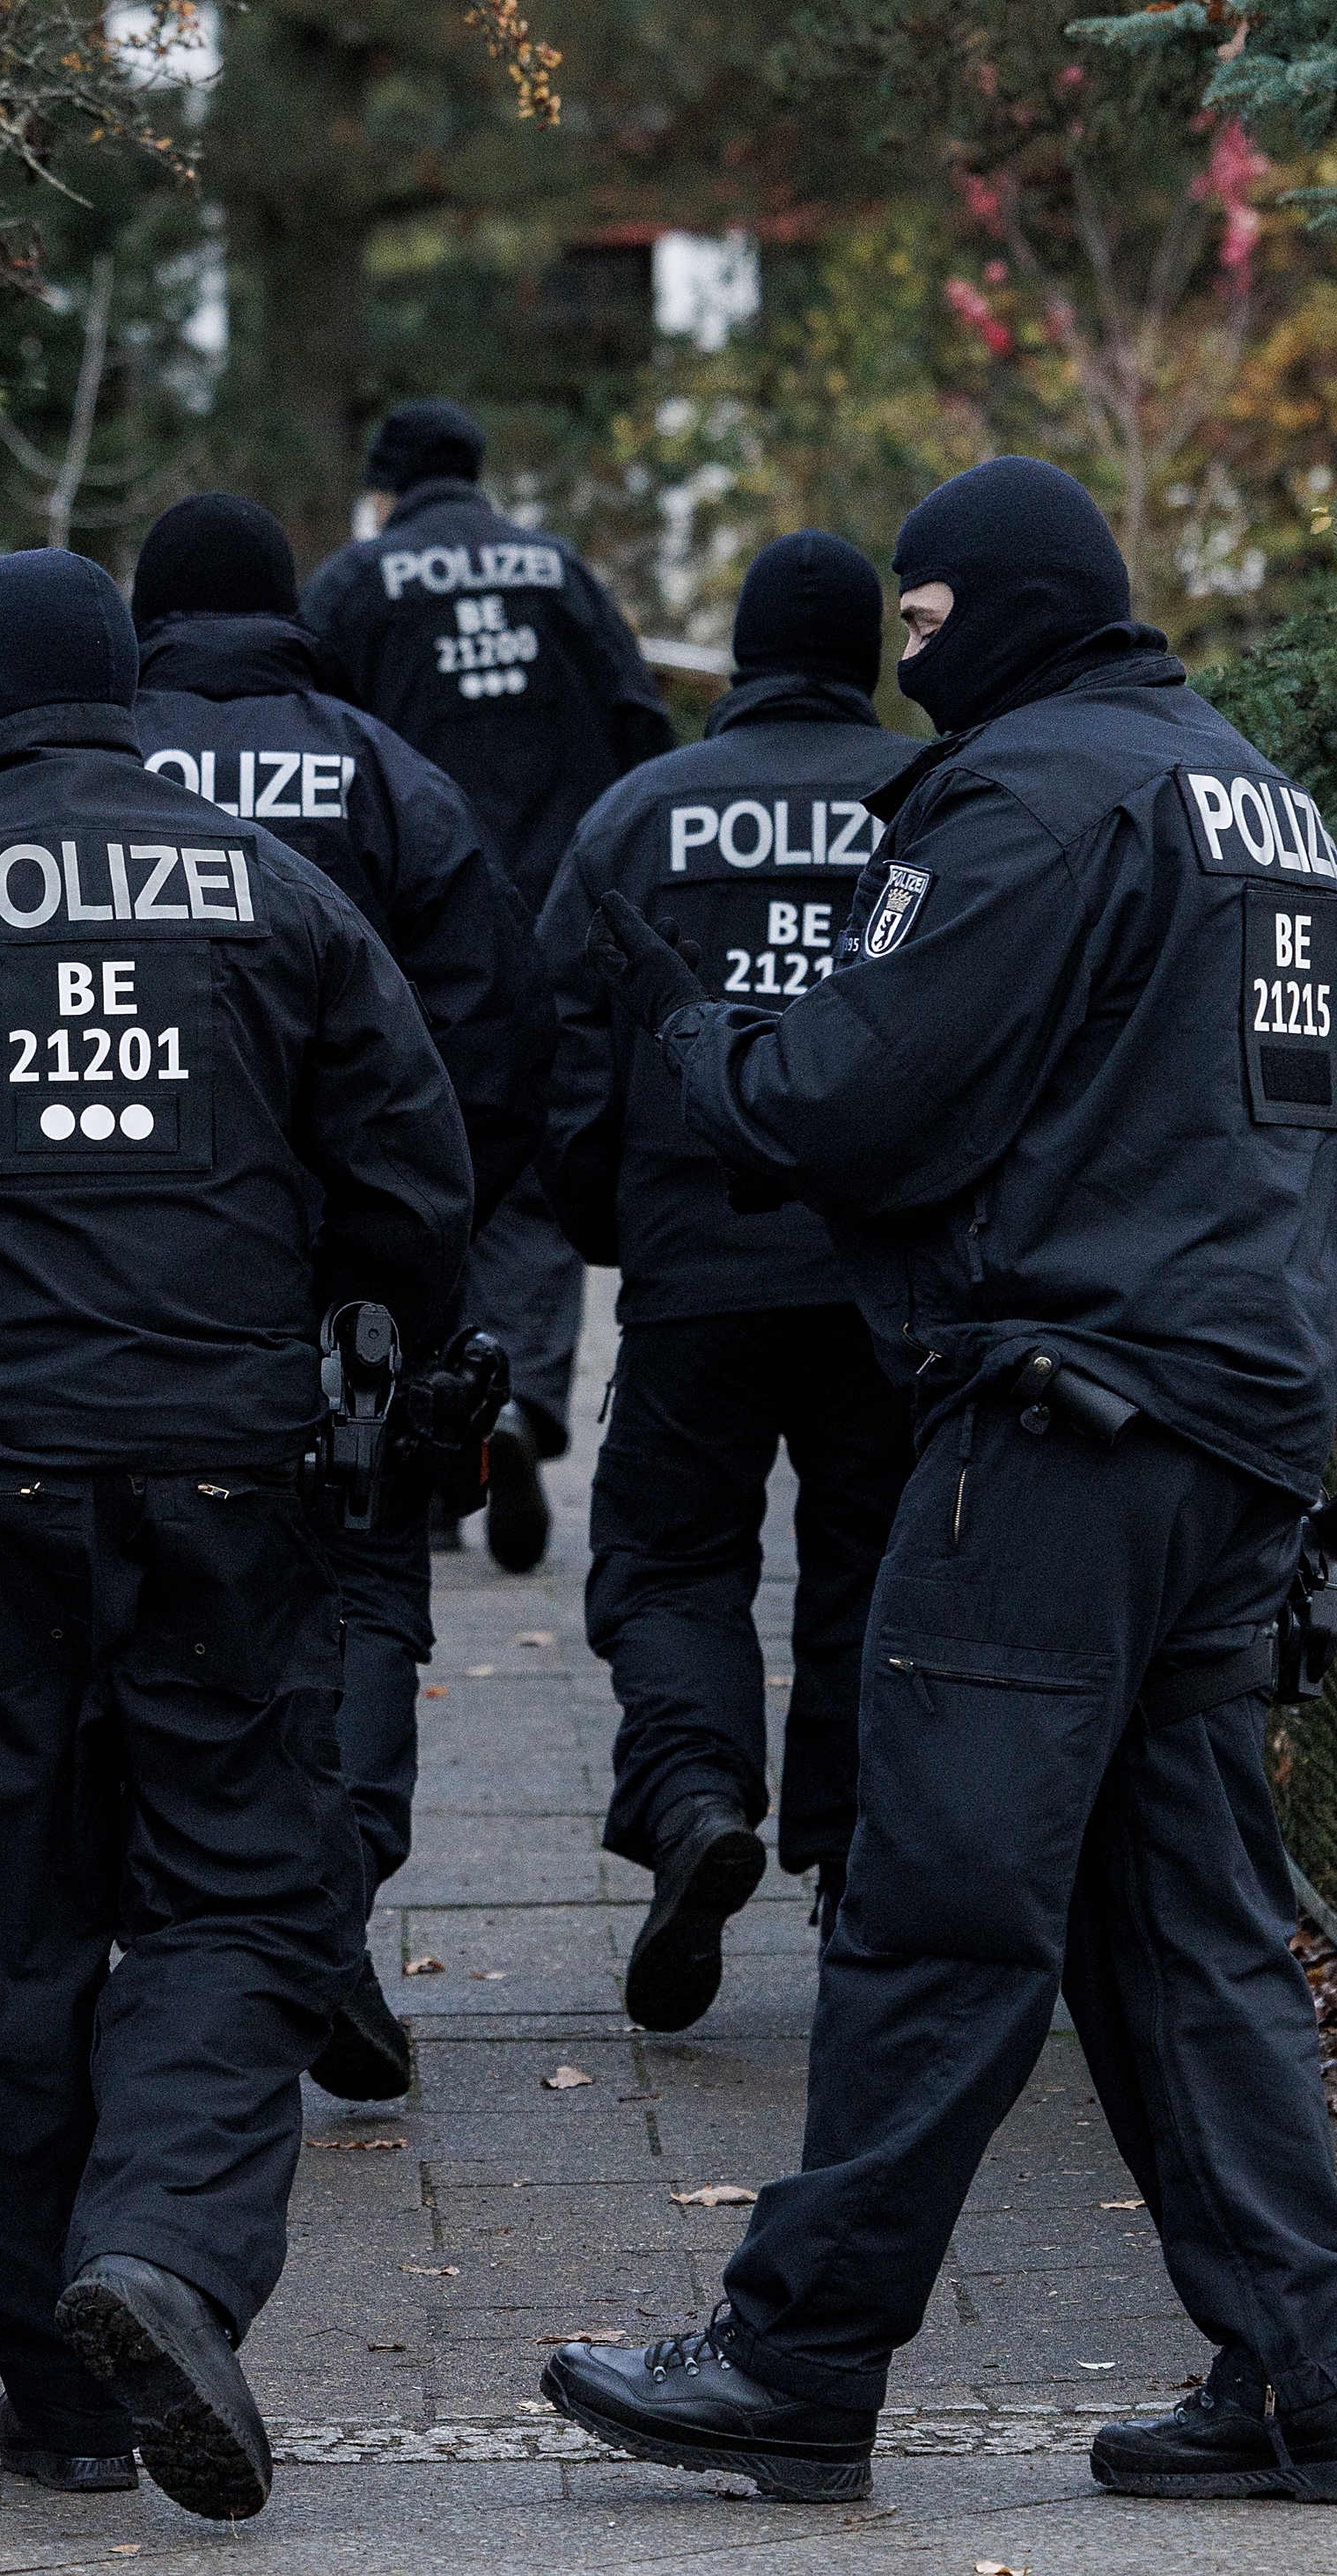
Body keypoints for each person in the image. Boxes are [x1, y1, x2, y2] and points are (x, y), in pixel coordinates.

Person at [541, 459, 1337, 2506]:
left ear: (1011, 603)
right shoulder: (1261, 802)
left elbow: (854, 1093)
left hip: (1057, 1433)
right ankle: (1318, 2374)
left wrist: (702, 1042)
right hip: (1235, 1429)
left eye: (927, 626)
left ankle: (796, 2358)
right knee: (1183, 1927)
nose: (913, 662)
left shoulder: (1030, 797)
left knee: (940, 1906)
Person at [0, 549, 480, 2521]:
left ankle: (58, 2385)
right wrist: (341, 1356)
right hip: (238, 1482)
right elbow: (416, 1182)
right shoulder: (276, 892)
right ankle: (168, 2257)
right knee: (237, 1895)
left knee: (11, 1917)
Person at [125, 489, 548, 2103]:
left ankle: (205, 1927)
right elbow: (495, 1031)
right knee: (366, 1581)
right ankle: (323, 1900)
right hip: (350, 1275)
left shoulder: (79, 778)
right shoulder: (385, 775)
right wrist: (431, 1234)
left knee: (155, 1598)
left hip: (119, 1272)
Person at [533, 532, 920, 2034]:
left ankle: (697, 1793)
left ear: (746, 655)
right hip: (881, 1266)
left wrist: (611, 1215)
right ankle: (855, 1865)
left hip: (697, 1265)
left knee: (672, 1557)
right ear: (872, 654)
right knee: (871, 1565)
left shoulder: (639, 816)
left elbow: (568, 1042)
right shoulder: (928, 802)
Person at [302, 400, 672, 1571]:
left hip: (405, 926)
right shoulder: (558, 573)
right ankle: (509, 1395)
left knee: (405, 1163)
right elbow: (640, 728)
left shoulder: (358, 584)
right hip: (551, 916)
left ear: (385, 488)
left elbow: (307, 735)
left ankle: (418, 1419)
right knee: (530, 1166)